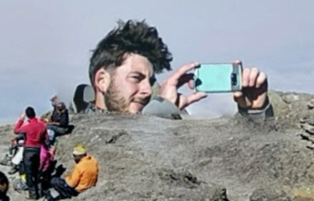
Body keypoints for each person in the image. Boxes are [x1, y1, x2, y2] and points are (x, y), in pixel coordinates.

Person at [87, 19, 273, 119]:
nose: (147, 91)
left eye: (150, 82)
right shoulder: (68, 133)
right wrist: (162, 110)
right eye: (136, 78)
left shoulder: (169, 124)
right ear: (102, 80)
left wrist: (254, 112)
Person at [13, 106, 48, 200]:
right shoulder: (42, 125)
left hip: (28, 150)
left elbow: (16, 130)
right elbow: (47, 138)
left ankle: (33, 194)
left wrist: (21, 119)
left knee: (29, 172)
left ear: (27, 115)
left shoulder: (27, 126)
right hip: (37, 150)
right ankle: (39, 191)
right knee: (36, 171)